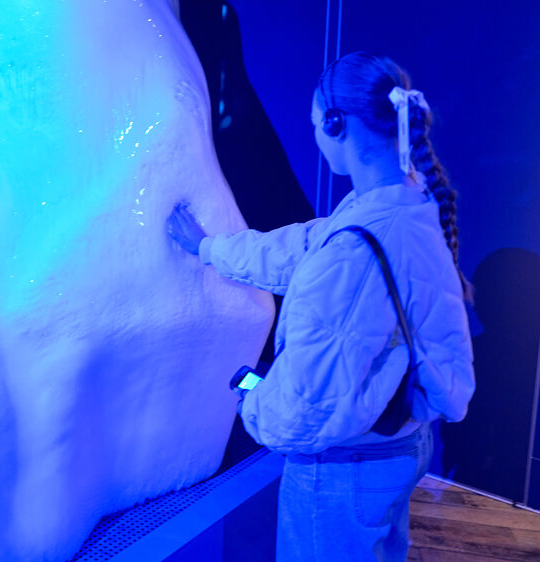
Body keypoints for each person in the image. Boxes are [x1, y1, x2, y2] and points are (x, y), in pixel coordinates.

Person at [166, 51, 475, 561]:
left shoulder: (356, 251)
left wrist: (253, 399)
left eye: (315, 124)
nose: (315, 136)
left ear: (337, 125)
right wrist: (208, 248)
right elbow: (301, 247)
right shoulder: (403, 203)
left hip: (345, 472)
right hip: (397, 447)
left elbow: (301, 415)